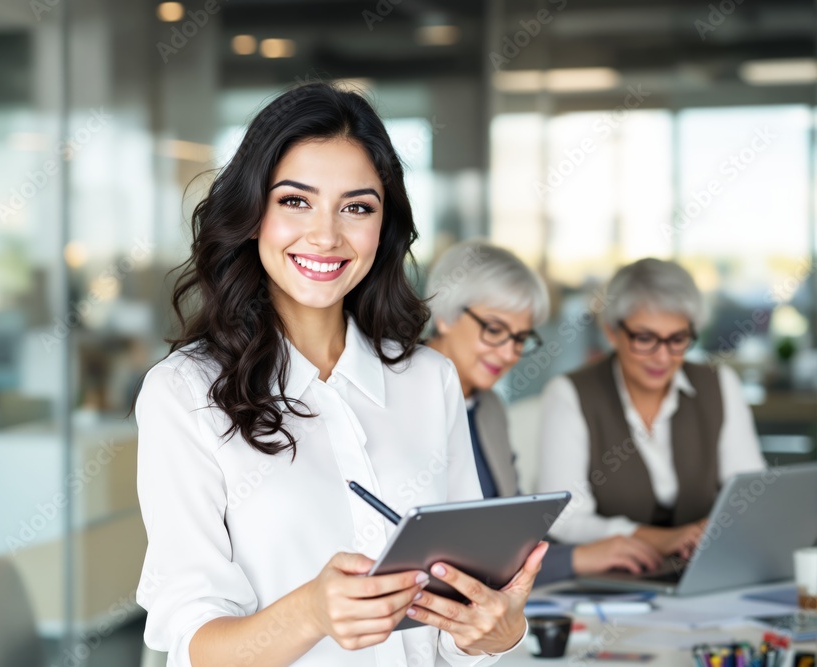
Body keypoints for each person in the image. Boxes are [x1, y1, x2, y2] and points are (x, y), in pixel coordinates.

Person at [134, 83, 546, 667]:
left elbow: (458, 626)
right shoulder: (184, 393)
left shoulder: (430, 380)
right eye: (295, 201)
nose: (326, 236)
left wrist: (496, 631)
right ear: (253, 213)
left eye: (357, 207)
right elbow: (197, 646)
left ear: (383, 230)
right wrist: (310, 613)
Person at [424, 240, 662, 583]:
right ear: (445, 315)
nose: (509, 354)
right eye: (494, 330)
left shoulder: (488, 408)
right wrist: (578, 558)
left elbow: (511, 535)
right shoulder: (399, 399)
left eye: (520, 338)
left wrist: (590, 552)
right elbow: (443, 555)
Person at [535, 258, 767, 559]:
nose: (662, 357)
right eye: (645, 338)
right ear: (611, 333)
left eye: (677, 339)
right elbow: (564, 518)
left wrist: (716, 529)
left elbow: (749, 492)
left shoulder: (719, 385)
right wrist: (660, 539)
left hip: (704, 569)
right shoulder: (570, 394)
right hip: (611, 581)